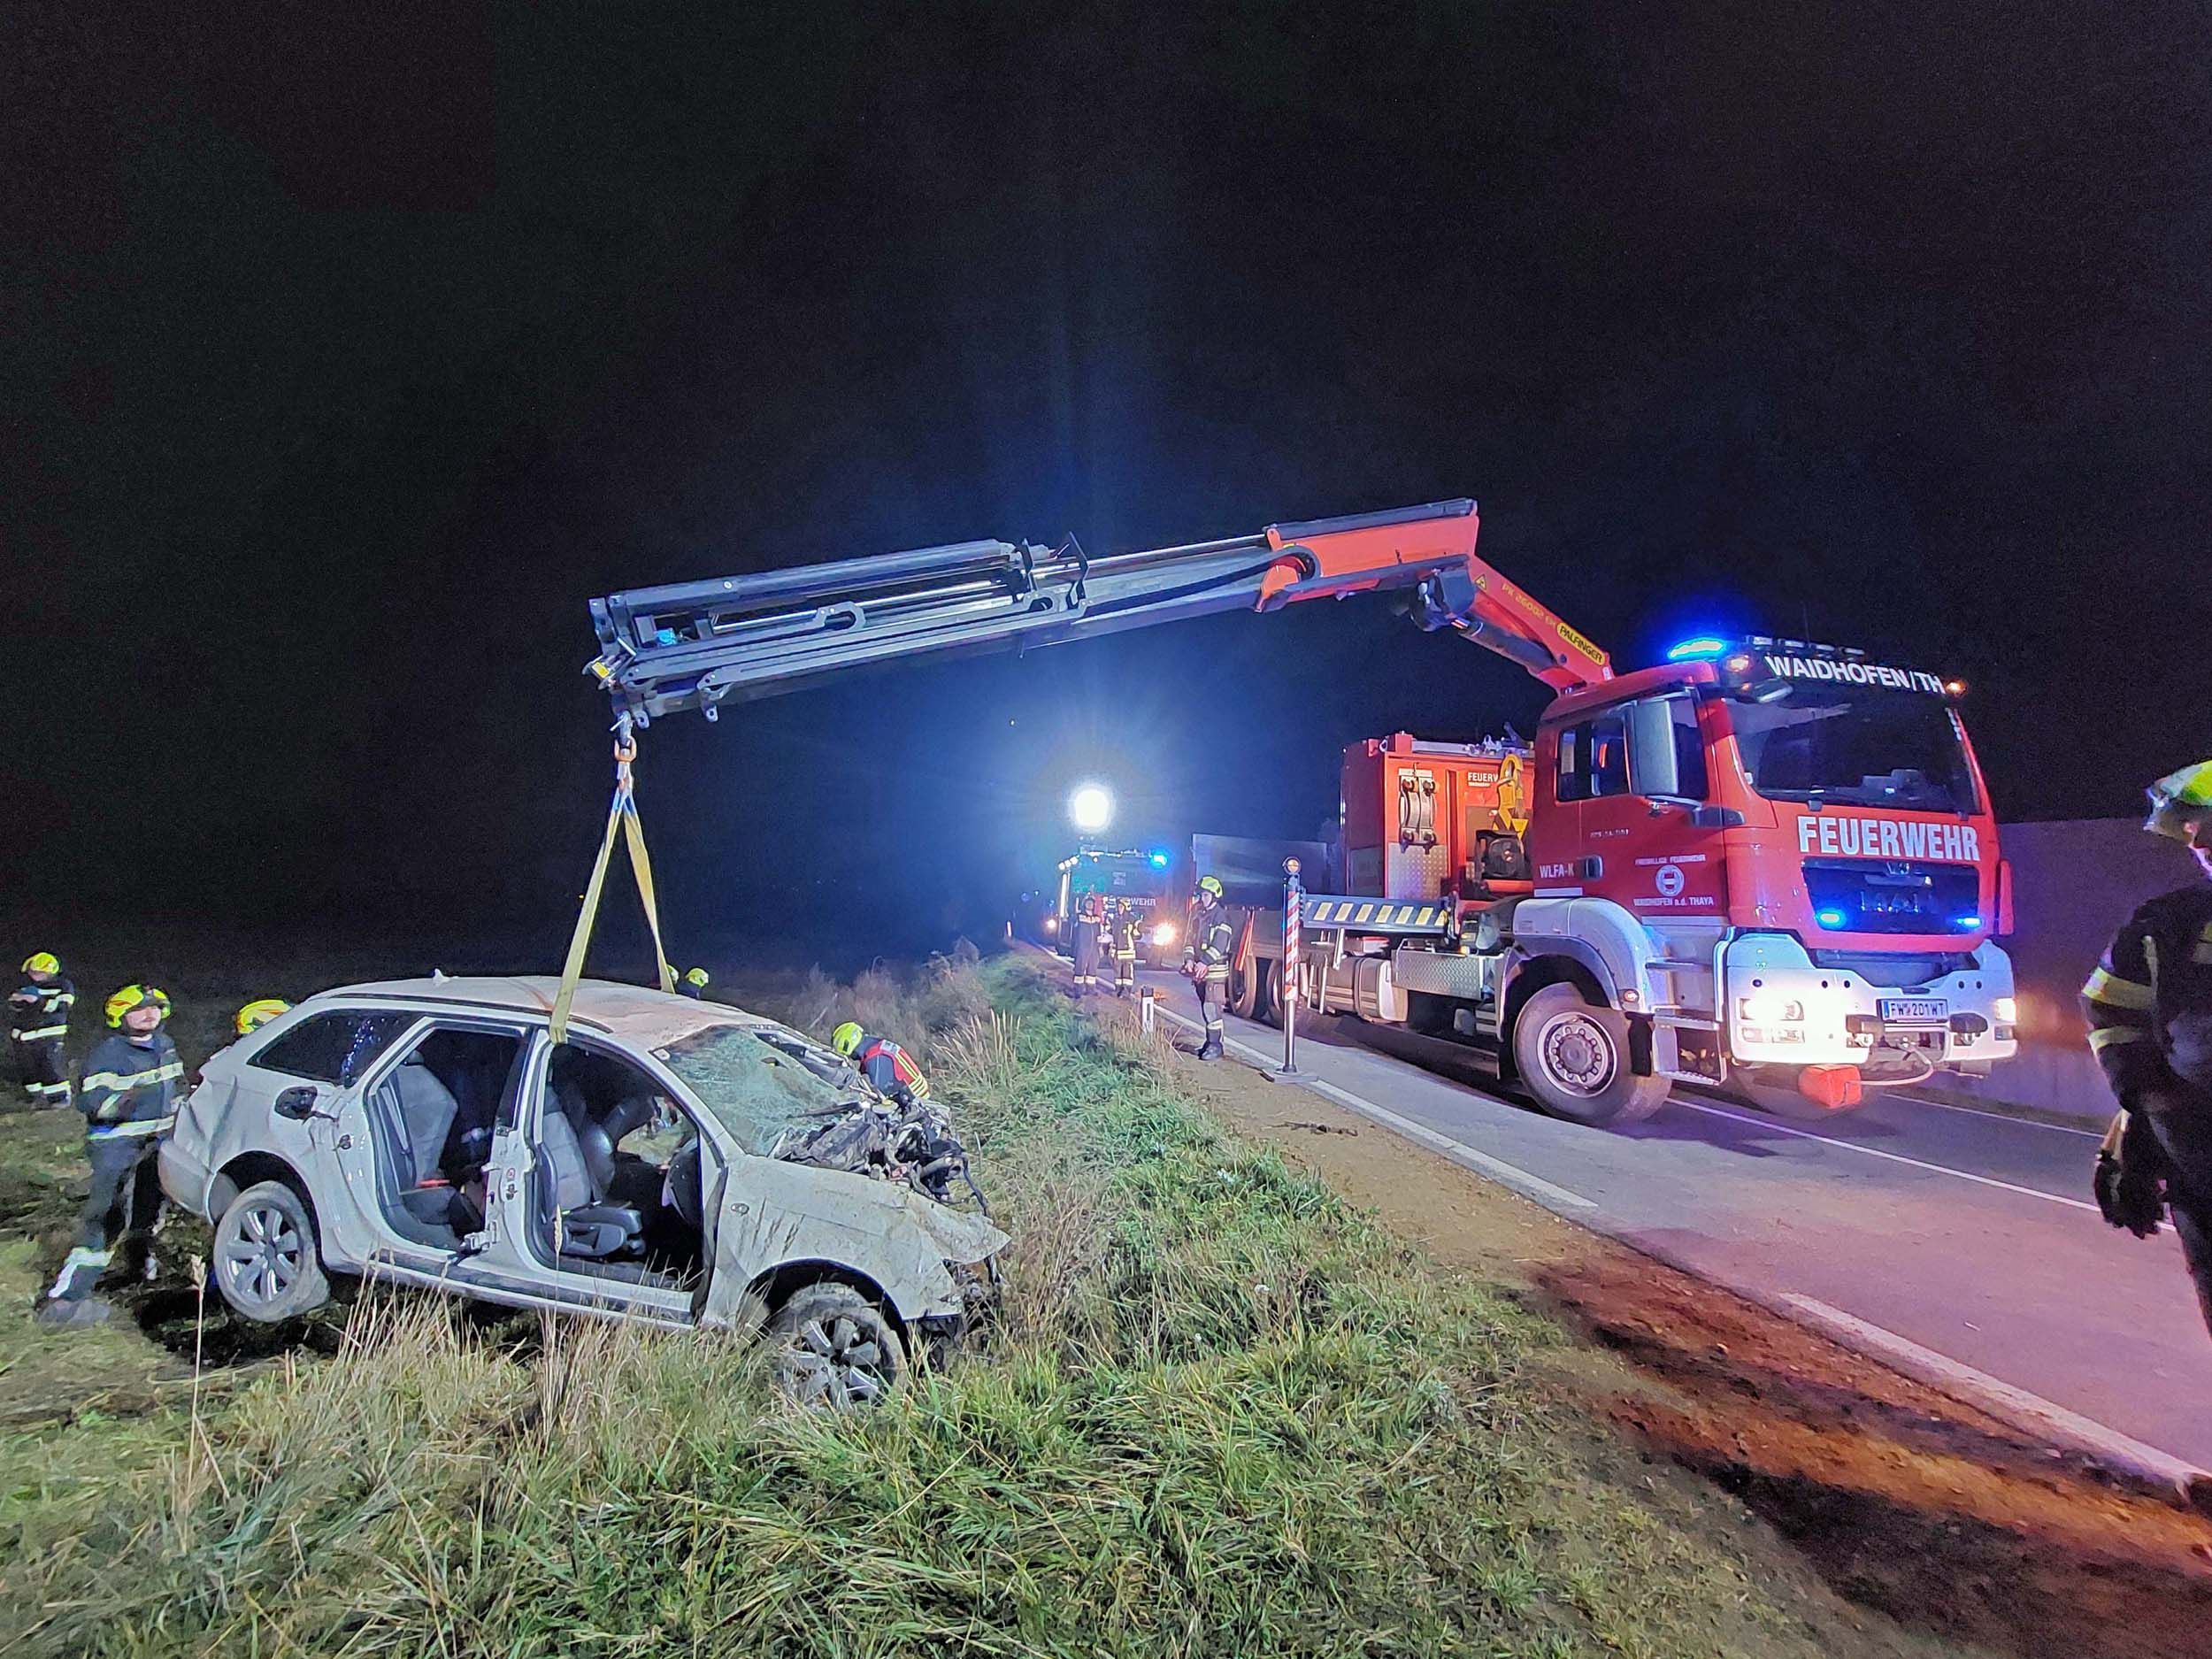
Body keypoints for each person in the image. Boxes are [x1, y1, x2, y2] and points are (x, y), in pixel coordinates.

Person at [2084, 760, 2212, 1343]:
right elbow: (2111, 1011)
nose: (2199, 845)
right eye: (2193, 831)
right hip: (2199, 1158)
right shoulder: (2166, 925)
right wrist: (2144, 1107)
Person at [40, 985, 181, 1325]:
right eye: (139, 1010)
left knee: (150, 1210)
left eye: (155, 1008)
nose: (149, 1015)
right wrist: (129, 1100)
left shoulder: (165, 1046)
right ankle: (65, 1300)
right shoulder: (108, 1055)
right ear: (120, 1017)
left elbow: (176, 1090)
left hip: (157, 1143)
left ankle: (141, 1271)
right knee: (107, 1218)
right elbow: (92, 1103)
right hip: (116, 1146)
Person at [9, 951, 74, 1109]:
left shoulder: (63, 985)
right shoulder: (27, 986)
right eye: (32, 972)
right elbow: (16, 1008)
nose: (34, 975)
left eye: (38, 972)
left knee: (50, 1066)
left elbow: (62, 1007)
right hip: (25, 1036)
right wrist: (17, 1001)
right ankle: (35, 1097)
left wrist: (39, 1001)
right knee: (28, 1069)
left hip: (49, 1034)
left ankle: (59, 1098)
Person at [1184, 875, 1233, 1060]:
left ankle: (1215, 1046)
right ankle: (1209, 1042)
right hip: (1200, 971)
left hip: (1214, 972)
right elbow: (1190, 939)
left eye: (1205, 895)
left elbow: (1220, 944)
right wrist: (1189, 959)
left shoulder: (1221, 917)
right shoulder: (1199, 916)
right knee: (1206, 1008)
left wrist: (1204, 962)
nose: (1202, 899)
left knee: (1212, 1008)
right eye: (1201, 895)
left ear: (1214, 896)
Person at [831, 1020, 932, 1110]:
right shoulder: (878, 1046)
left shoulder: (875, 1057)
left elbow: (880, 1094)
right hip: (919, 1093)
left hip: (916, 1102)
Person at [1071, 891, 1106, 997]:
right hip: (1082, 947)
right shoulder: (1079, 917)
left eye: (1091, 903)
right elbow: (1074, 926)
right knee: (1080, 968)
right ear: (1084, 904)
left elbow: (1099, 934)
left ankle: (1090, 990)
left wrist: (1100, 948)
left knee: (1092, 969)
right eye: (1088, 903)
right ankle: (1078, 990)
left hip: (1094, 948)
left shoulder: (1096, 919)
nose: (1090, 905)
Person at [1110, 899, 1141, 998]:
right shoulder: (1116, 919)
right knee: (1118, 974)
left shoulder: (1131, 919)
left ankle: (1126, 992)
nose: (1119, 909)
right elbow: (1112, 933)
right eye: (1118, 907)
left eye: (1121, 907)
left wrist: (1138, 928)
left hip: (1128, 952)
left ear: (1126, 908)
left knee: (1127, 974)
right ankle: (1118, 990)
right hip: (1117, 951)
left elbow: (1138, 933)